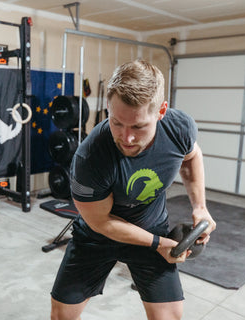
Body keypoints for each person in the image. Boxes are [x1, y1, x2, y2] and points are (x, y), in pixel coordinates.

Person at [50, 59, 216, 320]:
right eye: (116, 122)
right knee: (62, 316)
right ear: (107, 107)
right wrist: (160, 244)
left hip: (150, 227)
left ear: (161, 111)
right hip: (96, 237)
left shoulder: (178, 127)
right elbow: (102, 222)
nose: (126, 138)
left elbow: (192, 156)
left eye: (138, 127)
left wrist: (200, 207)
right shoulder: (89, 158)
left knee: (170, 317)